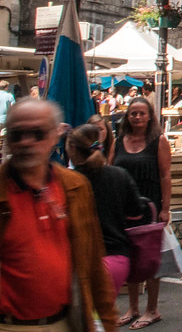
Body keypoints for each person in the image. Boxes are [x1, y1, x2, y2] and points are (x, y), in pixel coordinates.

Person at [0, 99, 119, 332]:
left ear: (56, 136)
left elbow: (93, 262)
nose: (26, 142)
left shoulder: (75, 186)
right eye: (17, 134)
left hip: (66, 323)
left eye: (37, 133)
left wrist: (107, 321)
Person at [110, 96, 172, 329]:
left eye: (141, 113)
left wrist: (165, 208)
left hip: (149, 207)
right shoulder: (118, 141)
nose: (137, 117)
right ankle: (133, 307)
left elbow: (166, 175)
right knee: (129, 256)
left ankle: (152, 309)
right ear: (127, 116)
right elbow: (110, 170)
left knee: (149, 257)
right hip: (122, 207)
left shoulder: (158, 140)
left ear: (149, 116)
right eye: (133, 113)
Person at [66, 123, 146, 295]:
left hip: (83, 262)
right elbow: (136, 212)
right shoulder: (119, 175)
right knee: (102, 318)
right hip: (118, 260)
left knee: (88, 319)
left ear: (72, 148)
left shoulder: (70, 182)